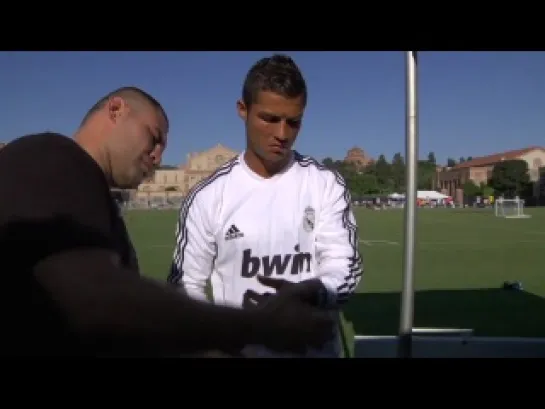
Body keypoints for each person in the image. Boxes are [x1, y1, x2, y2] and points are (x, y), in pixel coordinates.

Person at [0, 86, 334, 357]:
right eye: (154, 137)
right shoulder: (54, 156)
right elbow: (97, 301)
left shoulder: (88, 190)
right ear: (116, 110)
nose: (158, 156)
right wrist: (260, 326)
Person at [168, 54, 364, 357]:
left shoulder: (325, 184)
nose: (282, 134)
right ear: (242, 110)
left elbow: (345, 266)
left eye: (293, 122)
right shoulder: (209, 196)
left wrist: (310, 292)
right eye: (270, 119)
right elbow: (185, 286)